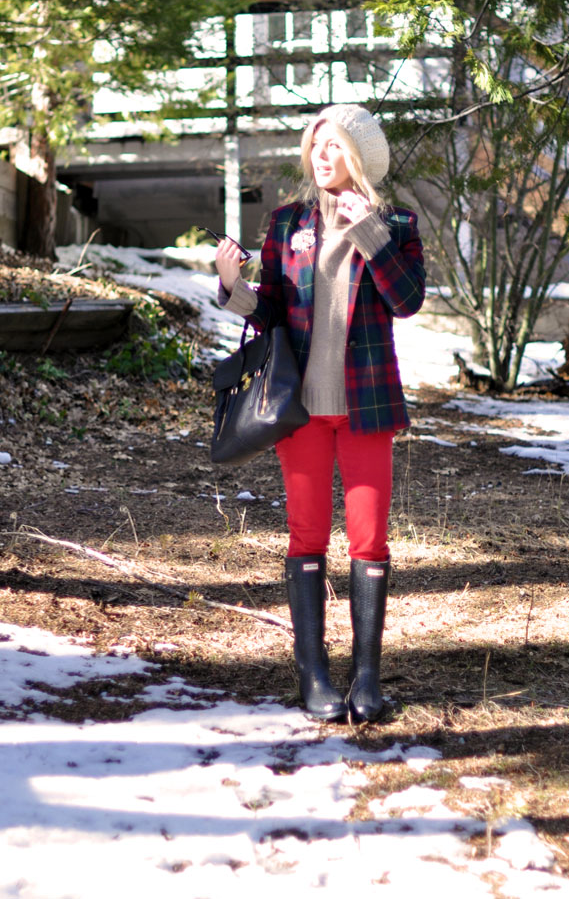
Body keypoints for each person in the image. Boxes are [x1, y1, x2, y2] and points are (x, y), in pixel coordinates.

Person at [215, 104, 425, 723]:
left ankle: (366, 680)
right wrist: (234, 287)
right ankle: (313, 678)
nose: (321, 156)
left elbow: (407, 301)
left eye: (333, 146)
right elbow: (271, 312)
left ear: (359, 155)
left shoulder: (397, 223)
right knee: (307, 536)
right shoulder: (287, 224)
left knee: (370, 540)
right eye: (315, 146)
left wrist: (371, 234)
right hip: (299, 410)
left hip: (368, 406)